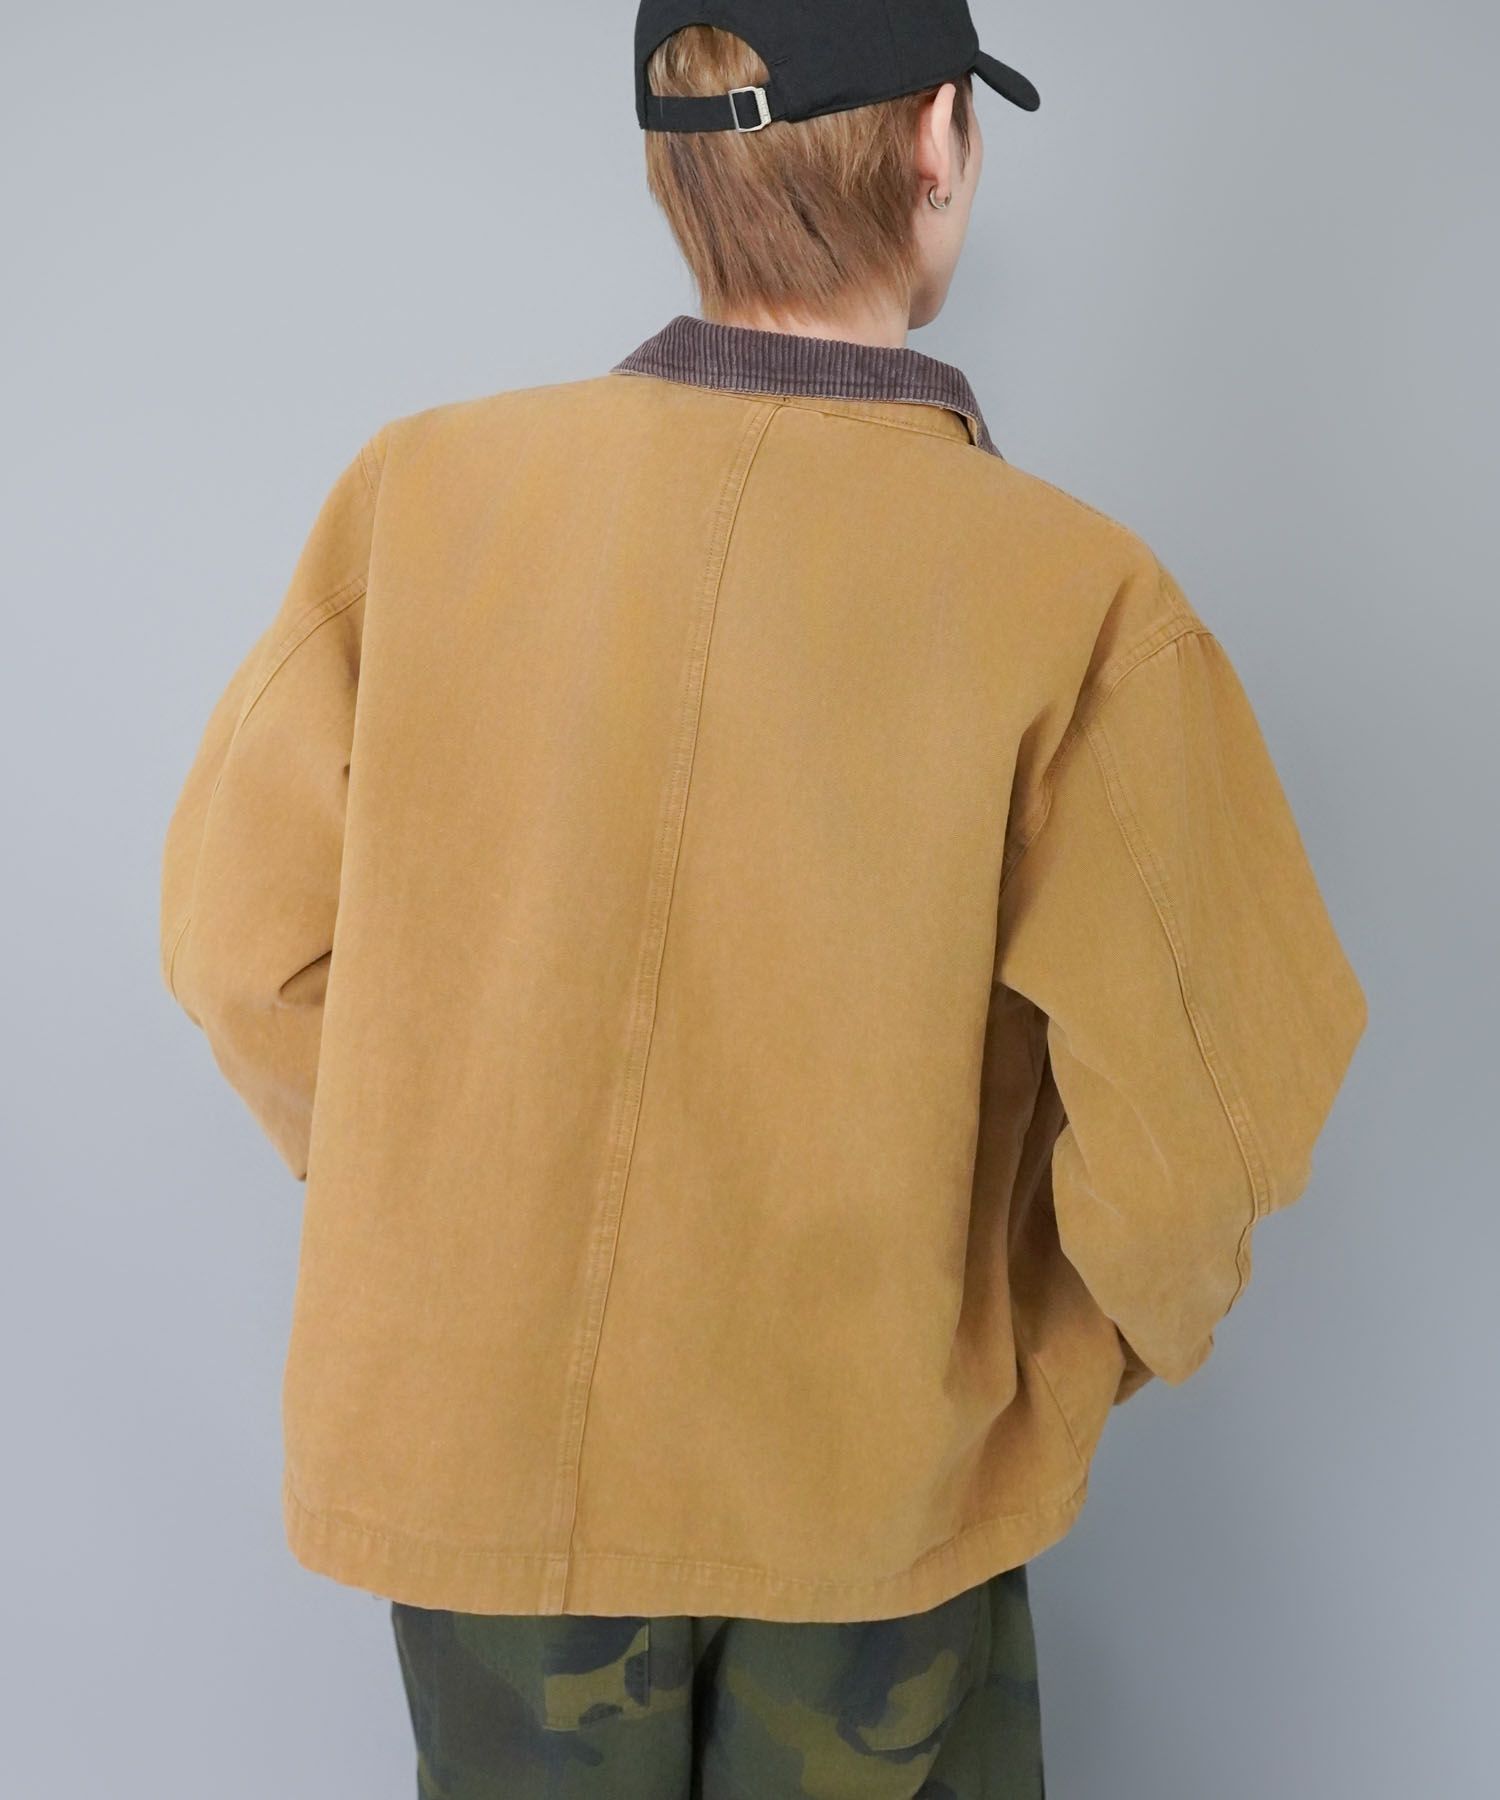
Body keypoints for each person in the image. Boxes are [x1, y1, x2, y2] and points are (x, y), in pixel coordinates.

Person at [157, 2, 1369, 1795]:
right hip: (864, 1494)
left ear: (670, 166)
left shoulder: (420, 498)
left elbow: (240, 949)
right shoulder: (1078, 599)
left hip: (488, 1473)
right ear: (939, 140)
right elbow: (1215, 1119)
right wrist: (1040, 1358)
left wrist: (457, 1199)